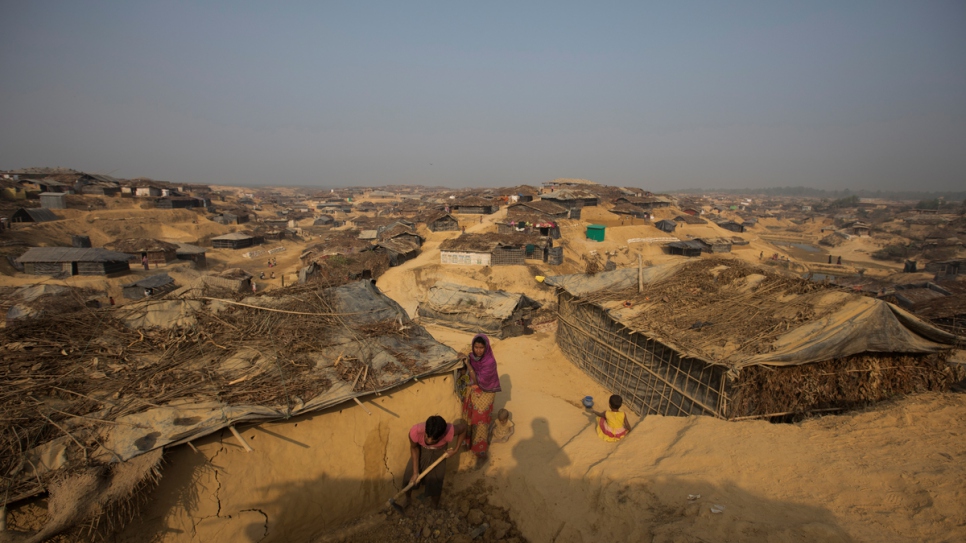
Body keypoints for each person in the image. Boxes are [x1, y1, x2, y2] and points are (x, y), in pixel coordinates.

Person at [402, 415, 467, 509]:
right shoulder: (415, 431)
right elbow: (414, 448)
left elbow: (464, 428)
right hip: (421, 450)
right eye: (427, 436)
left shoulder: (449, 430)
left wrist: (456, 450)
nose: (429, 441)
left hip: (439, 452)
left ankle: (434, 505)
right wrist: (415, 472)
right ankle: (408, 499)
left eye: (434, 440)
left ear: (442, 435)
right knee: (409, 476)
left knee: (436, 480)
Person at [460, 334, 501, 466]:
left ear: (486, 347)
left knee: (481, 420)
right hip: (475, 389)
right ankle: (469, 443)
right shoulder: (472, 357)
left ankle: (480, 452)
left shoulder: (489, 362)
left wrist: (468, 365)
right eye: (476, 347)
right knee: (469, 416)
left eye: (481, 347)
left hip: (486, 391)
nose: (478, 350)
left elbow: (479, 380)